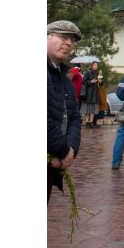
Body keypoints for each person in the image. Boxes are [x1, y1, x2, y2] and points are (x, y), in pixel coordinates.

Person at [47, 21, 83, 203]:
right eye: (63, 37)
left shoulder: (64, 77)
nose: (69, 43)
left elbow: (74, 117)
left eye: (72, 40)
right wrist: (62, 151)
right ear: (47, 37)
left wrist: (71, 151)